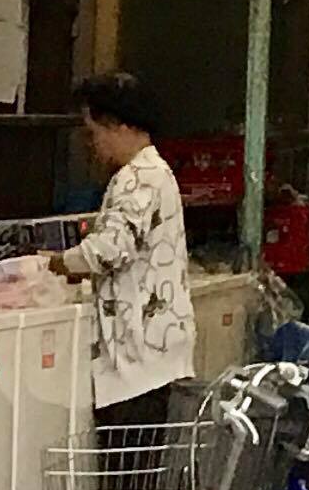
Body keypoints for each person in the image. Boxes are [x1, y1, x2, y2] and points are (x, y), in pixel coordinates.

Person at [39, 74, 195, 456]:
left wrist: (58, 263)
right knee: (146, 479)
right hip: (158, 355)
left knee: (131, 480)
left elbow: (111, 247)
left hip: (138, 361)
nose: (94, 146)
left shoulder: (137, 177)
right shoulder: (156, 173)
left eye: (94, 133)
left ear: (119, 125)